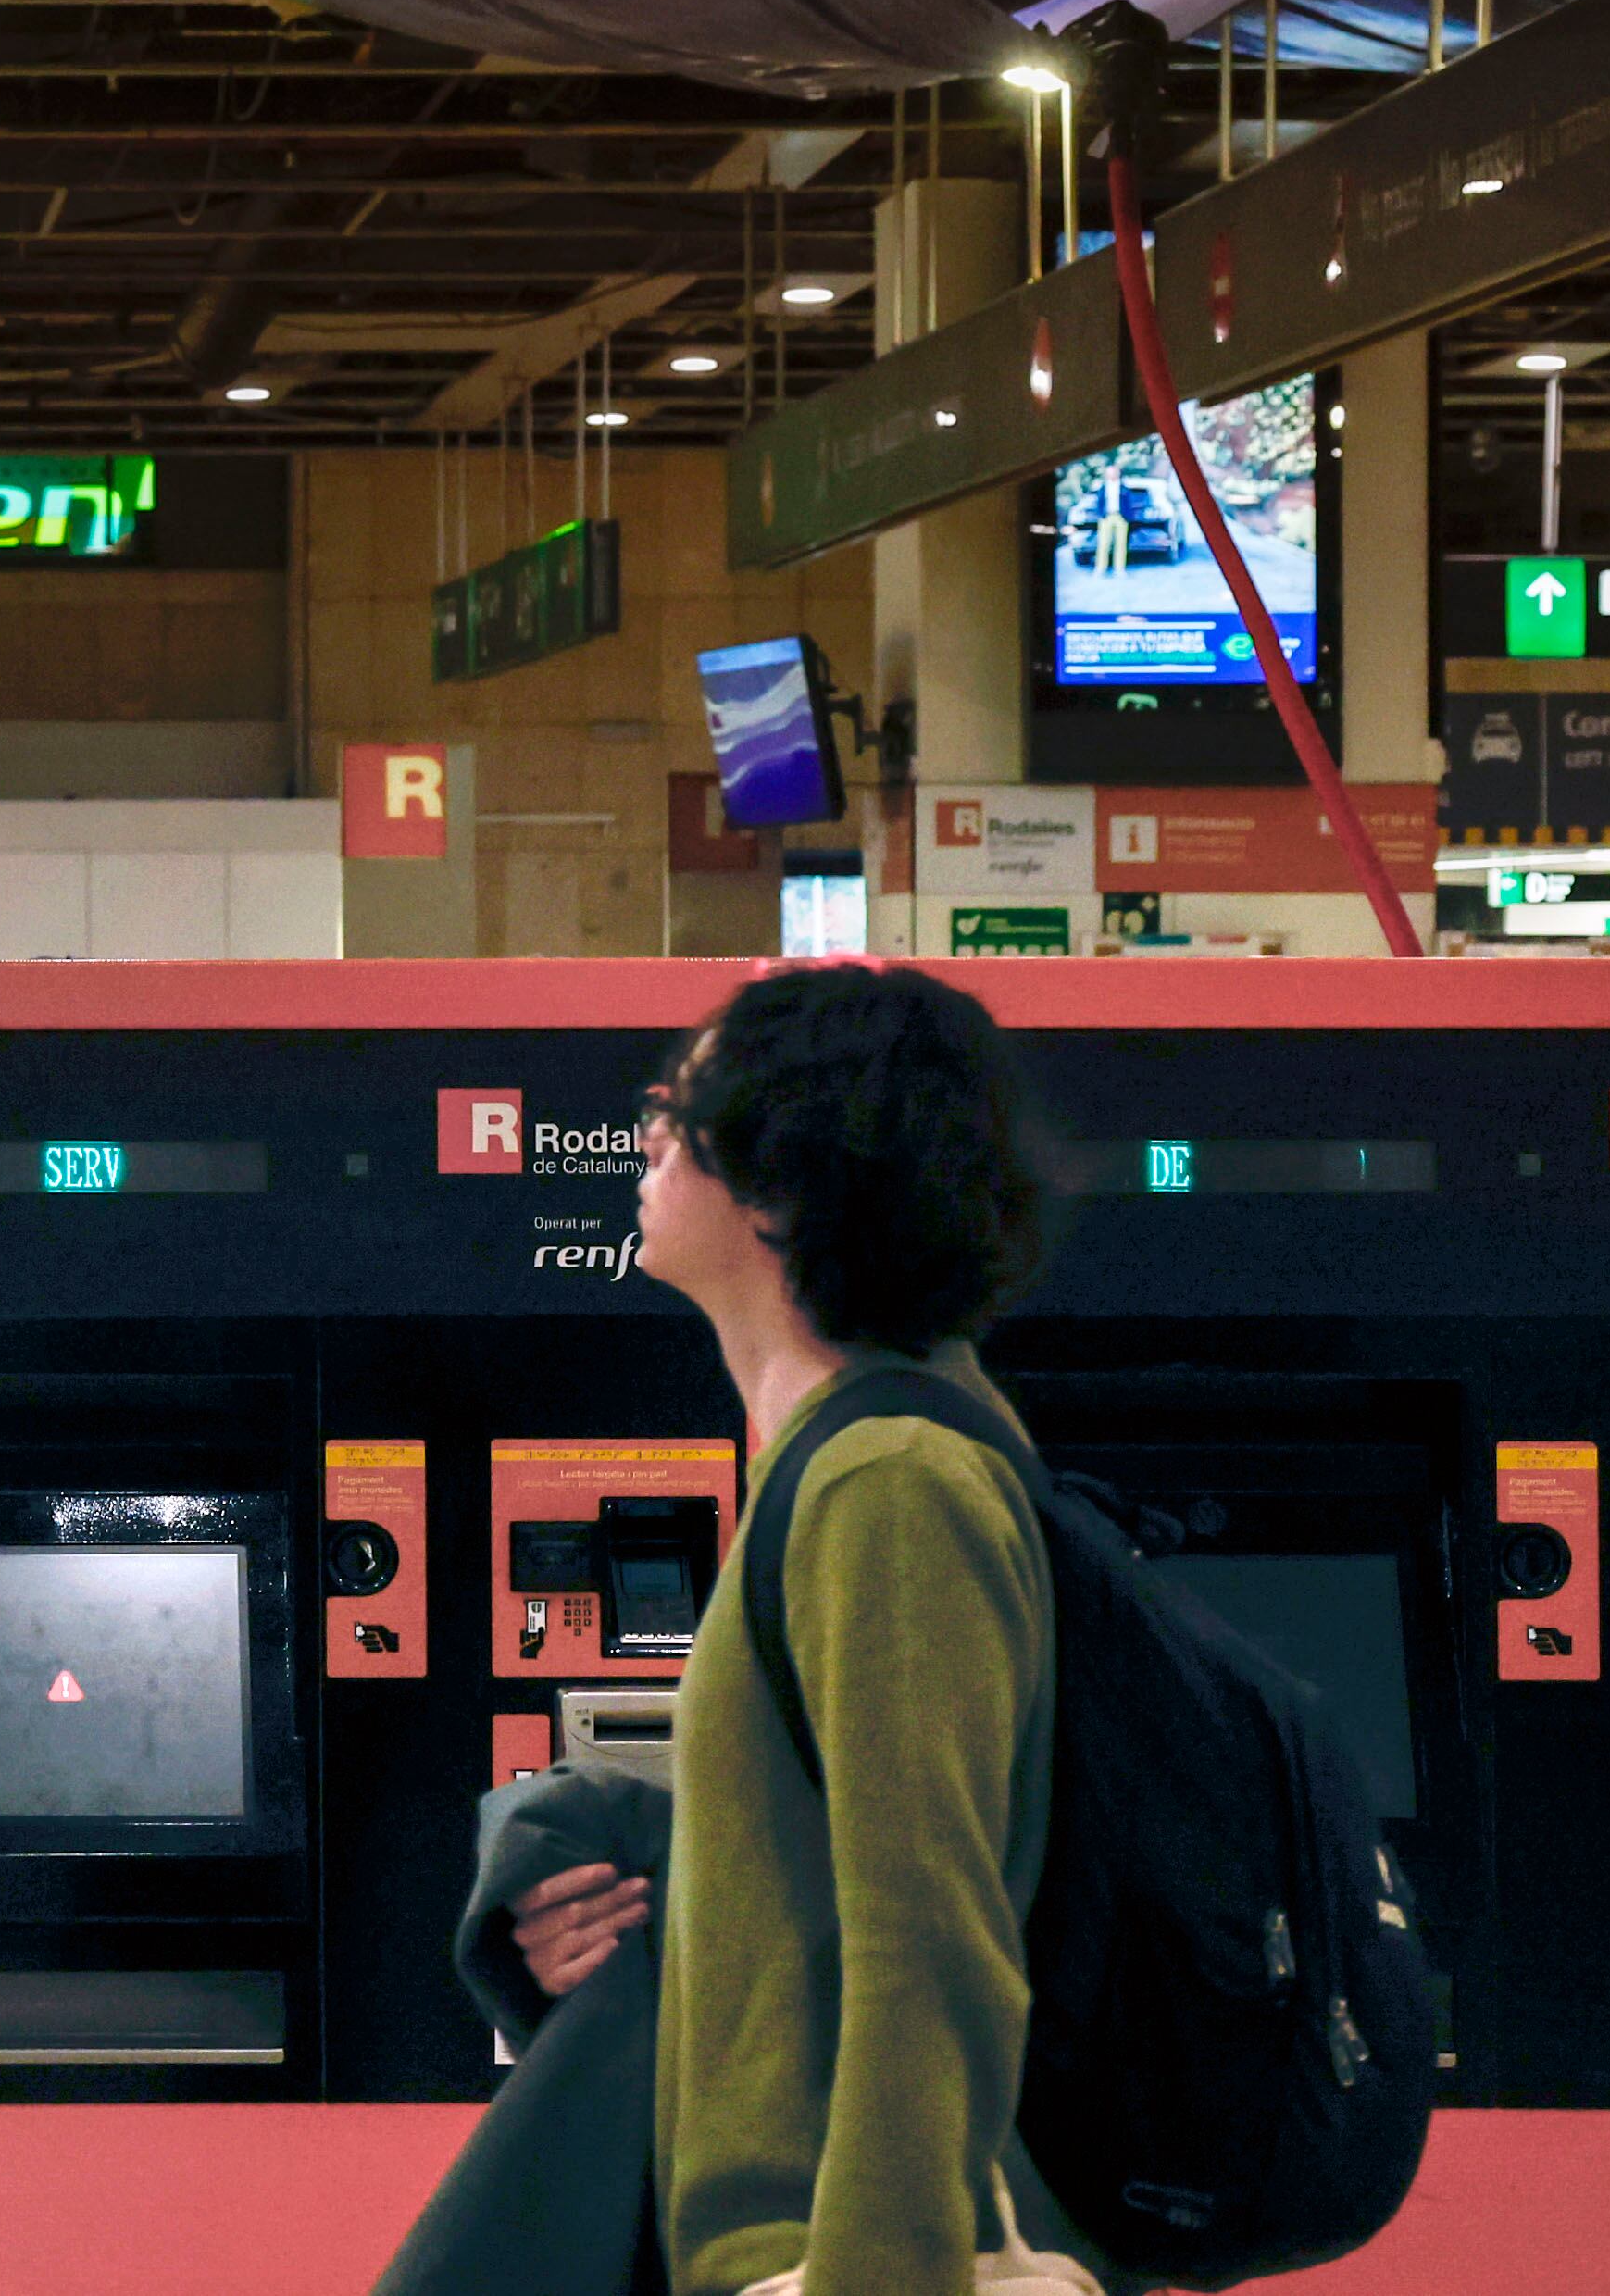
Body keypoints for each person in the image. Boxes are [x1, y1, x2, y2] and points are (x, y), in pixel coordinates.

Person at [507, 963, 1097, 2296]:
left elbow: (929, 1941)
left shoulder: (885, 1479)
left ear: (784, 1178)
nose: (647, 1129)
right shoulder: (843, 1453)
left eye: (684, 1101)